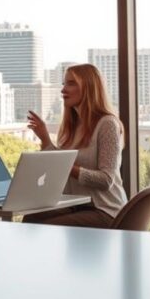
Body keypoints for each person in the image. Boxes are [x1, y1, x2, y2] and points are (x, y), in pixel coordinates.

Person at [24, 63, 127, 228]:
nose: (63, 90)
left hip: (105, 210)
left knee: (48, 228)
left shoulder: (107, 124)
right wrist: (45, 138)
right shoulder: (72, 126)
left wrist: (66, 166)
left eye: (71, 84)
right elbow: (59, 164)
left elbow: (106, 180)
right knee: (31, 218)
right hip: (76, 205)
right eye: (64, 84)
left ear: (89, 88)